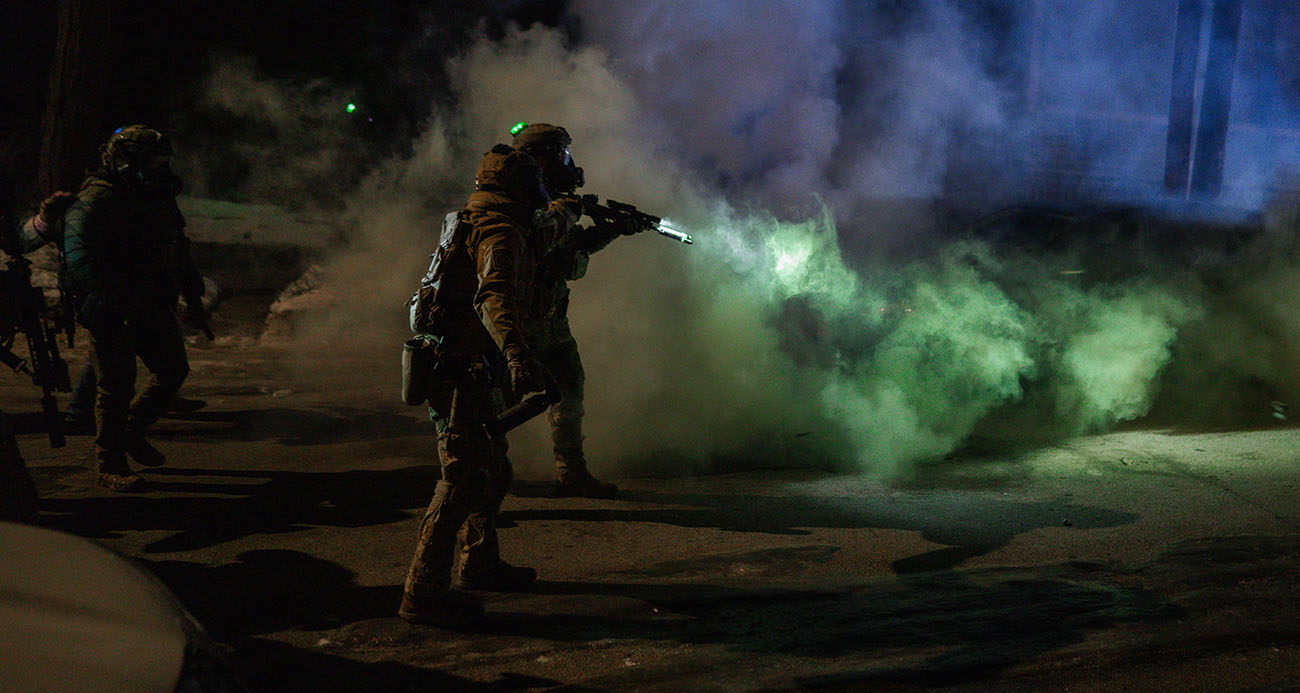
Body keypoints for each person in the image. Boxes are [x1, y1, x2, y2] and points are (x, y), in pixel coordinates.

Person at [399, 144, 550, 627]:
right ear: (516, 187)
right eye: (532, 183)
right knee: (461, 480)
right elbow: (493, 297)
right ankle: (422, 594)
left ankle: (480, 562)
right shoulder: (498, 230)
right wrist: (518, 355)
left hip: (466, 366)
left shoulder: (469, 219)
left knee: (493, 470)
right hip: (461, 372)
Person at [61, 125, 207, 492]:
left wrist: (192, 294)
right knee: (116, 385)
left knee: (172, 370)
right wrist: (111, 300)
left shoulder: (155, 194)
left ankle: (132, 429)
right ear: (126, 160)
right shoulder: (98, 197)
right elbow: (79, 257)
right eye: (151, 160)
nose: (159, 168)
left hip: (151, 301)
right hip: (112, 306)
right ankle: (110, 461)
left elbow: (176, 247)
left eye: (162, 161)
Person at [510, 123, 633, 498]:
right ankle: (479, 472)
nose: (570, 164)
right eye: (562, 155)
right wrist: (572, 209)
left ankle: (571, 471)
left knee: (568, 386)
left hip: (548, 319)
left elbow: (565, 252)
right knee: (495, 401)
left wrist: (610, 231)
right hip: (514, 324)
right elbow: (540, 245)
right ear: (543, 157)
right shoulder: (519, 199)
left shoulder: (552, 198)